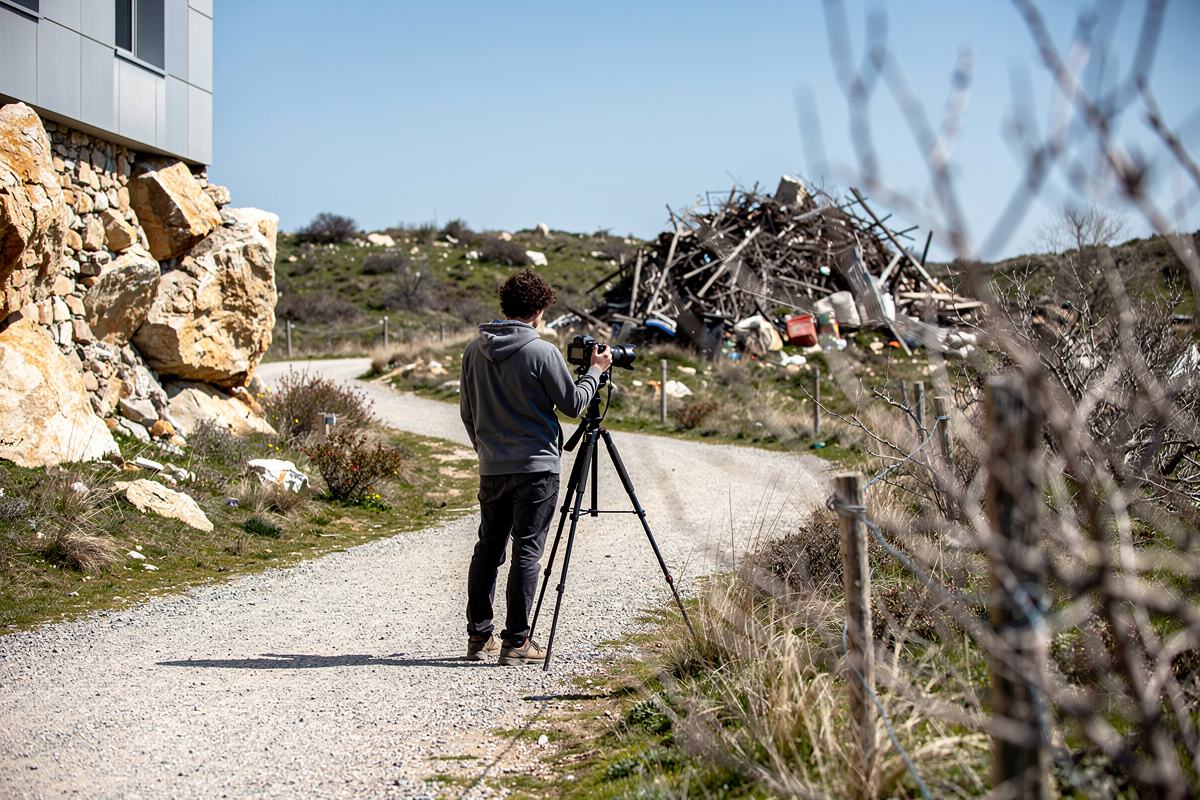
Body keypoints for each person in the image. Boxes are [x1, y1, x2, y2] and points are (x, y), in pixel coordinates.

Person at [459, 269, 612, 665]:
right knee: (527, 551)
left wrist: (486, 451)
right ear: (539, 309)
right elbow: (575, 405)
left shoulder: (474, 351)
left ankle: (479, 637)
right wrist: (596, 371)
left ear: (506, 305)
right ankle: (517, 642)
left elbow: (468, 413)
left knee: (488, 550)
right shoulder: (542, 352)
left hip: (492, 467)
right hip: (537, 469)